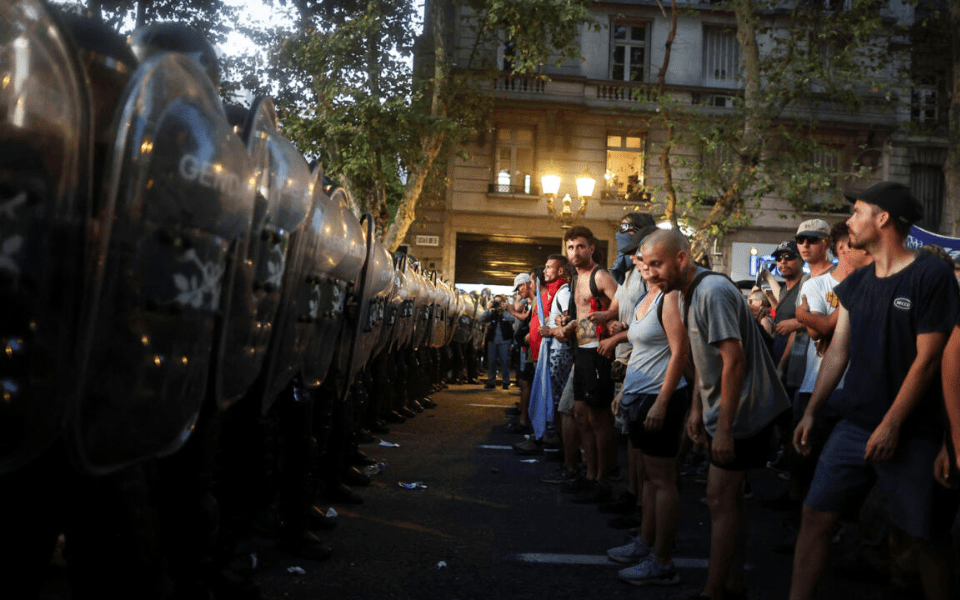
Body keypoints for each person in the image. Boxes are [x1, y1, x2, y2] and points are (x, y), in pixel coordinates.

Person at [790, 181, 959, 600]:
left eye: (857, 212)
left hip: (914, 431)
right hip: (855, 424)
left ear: (883, 219)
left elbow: (929, 360)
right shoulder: (859, 282)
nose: (849, 221)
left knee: (925, 536)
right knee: (814, 515)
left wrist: (892, 424)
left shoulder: (931, 274)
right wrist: (812, 410)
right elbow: (838, 350)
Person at [640, 228, 791, 600]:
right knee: (730, 501)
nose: (651, 273)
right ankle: (733, 582)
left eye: (657, 264)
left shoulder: (711, 291)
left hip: (743, 414)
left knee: (719, 499)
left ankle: (713, 591)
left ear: (681, 258)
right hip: (727, 412)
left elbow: (733, 361)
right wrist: (696, 410)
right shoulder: (685, 293)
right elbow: (702, 358)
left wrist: (724, 429)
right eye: (646, 265)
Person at [605, 243, 690, 587]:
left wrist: (662, 402)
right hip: (639, 397)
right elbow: (641, 351)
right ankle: (646, 543)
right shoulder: (646, 297)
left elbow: (679, 351)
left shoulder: (669, 297)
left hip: (659, 398)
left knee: (662, 480)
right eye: (640, 260)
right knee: (649, 480)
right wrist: (625, 391)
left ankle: (662, 559)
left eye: (651, 261)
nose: (643, 266)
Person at [555, 226, 620, 503]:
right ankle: (590, 474)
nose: (575, 252)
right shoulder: (574, 279)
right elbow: (584, 316)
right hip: (581, 351)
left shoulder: (600, 275)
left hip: (599, 353)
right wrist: (569, 325)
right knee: (581, 416)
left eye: (580, 246)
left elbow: (622, 303)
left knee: (598, 418)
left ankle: (603, 478)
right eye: (570, 247)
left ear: (591, 248)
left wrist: (608, 316)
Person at [505, 272, 535, 433]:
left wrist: (512, 310)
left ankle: (527, 421)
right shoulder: (533, 301)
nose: (518, 292)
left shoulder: (534, 300)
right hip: (528, 348)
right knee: (524, 382)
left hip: (532, 349)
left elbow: (522, 314)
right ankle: (525, 418)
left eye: (519, 289)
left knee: (526, 382)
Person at [481, 294, 515, 389]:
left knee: (505, 362)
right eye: (496, 302)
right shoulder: (492, 313)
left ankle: (505, 382)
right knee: (491, 362)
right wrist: (489, 308)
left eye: (499, 302)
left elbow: (512, 320)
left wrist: (503, 311)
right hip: (492, 340)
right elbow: (482, 319)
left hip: (505, 340)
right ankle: (491, 382)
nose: (497, 304)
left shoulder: (508, 311)